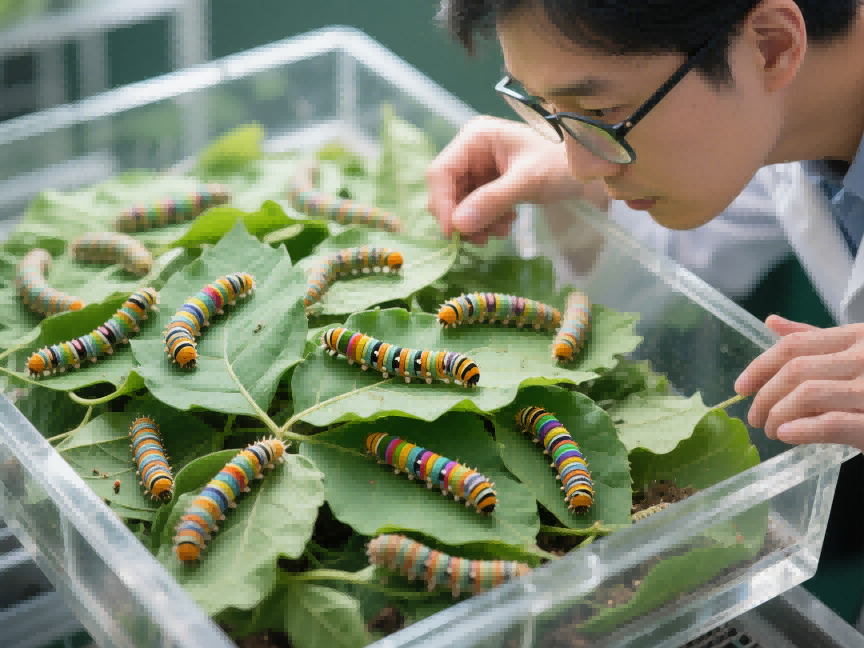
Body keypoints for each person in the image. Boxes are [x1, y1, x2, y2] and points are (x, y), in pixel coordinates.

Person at [426, 0, 864, 626]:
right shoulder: (790, 122)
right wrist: (571, 192)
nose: (581, 157)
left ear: (769, 45)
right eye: (548, 111)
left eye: (601, 110)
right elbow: (680, 253)